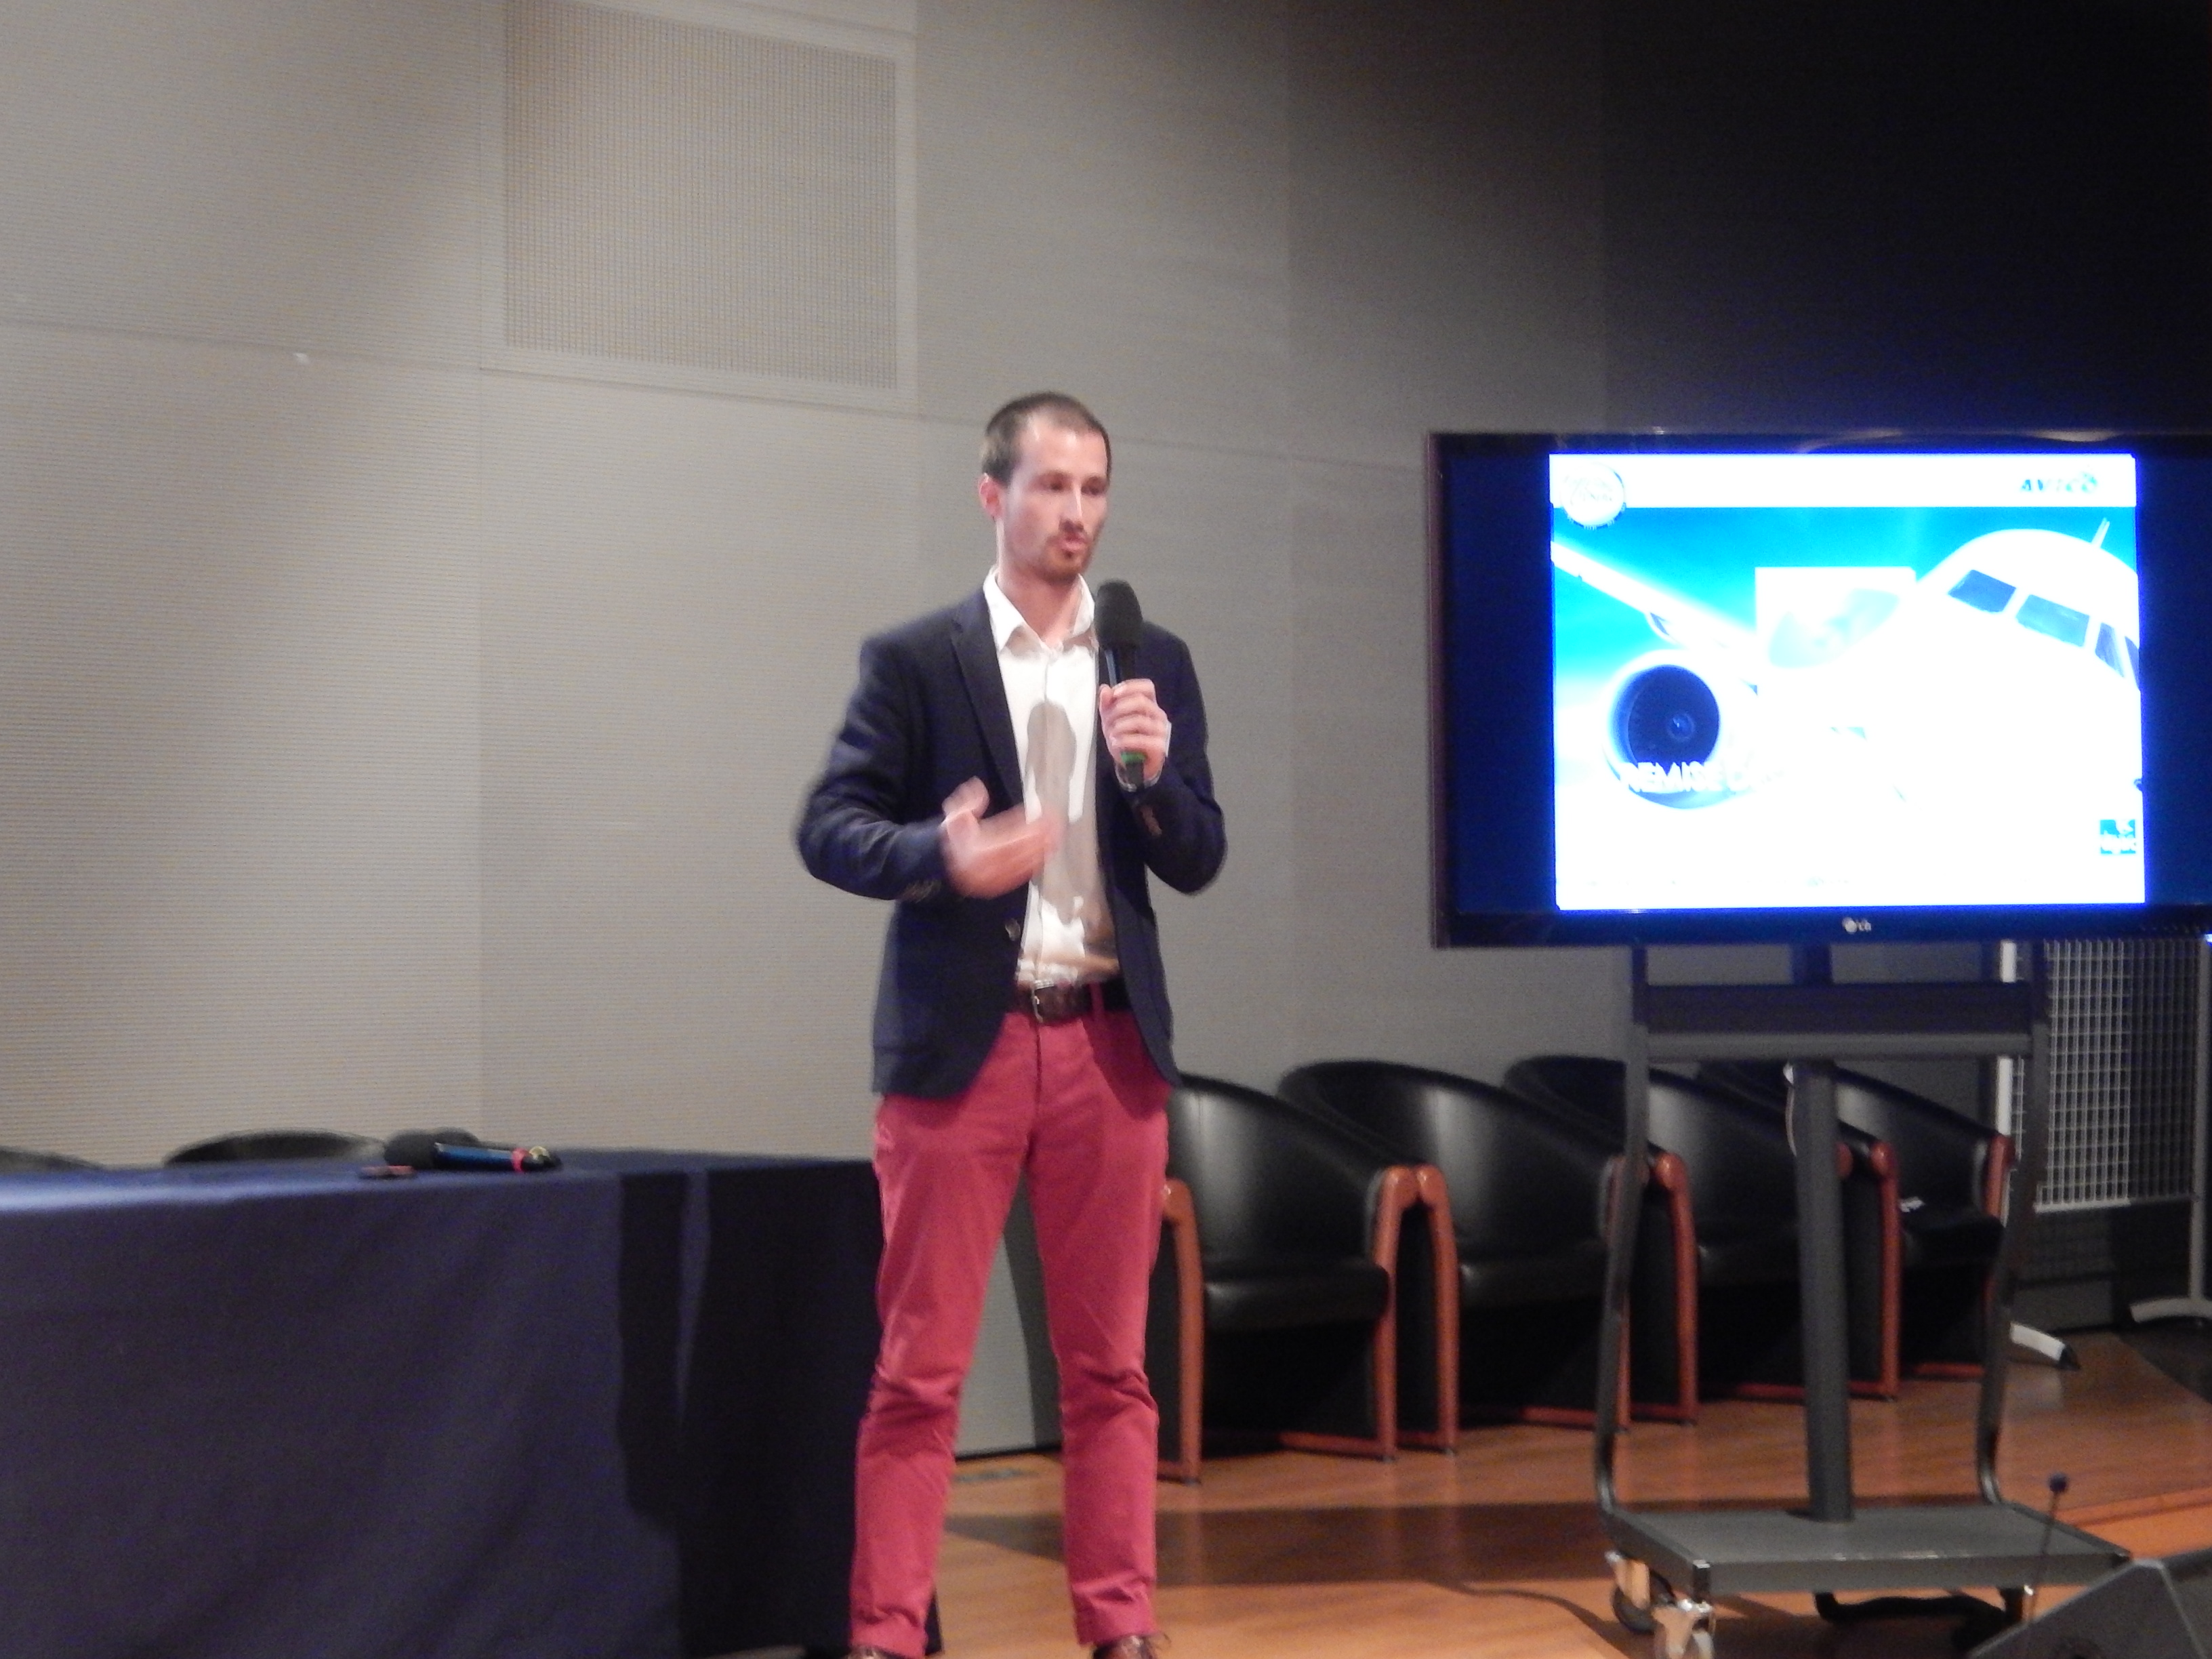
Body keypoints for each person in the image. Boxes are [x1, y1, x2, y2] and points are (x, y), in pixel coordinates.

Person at [798, 392, 1226, 1659]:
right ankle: (885, 1634)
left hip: (1108, 1046)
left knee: (1111, 1371)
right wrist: (941, 853)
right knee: (919, 1372)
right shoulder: (917, 660)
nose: (1076, 513)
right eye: (1051, 486)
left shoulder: (1153, 662)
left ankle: (1121, 1629)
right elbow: (830, 827)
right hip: (963, 1052)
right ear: (994, 495)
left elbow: (1199, 855)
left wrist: (1154, 781)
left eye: (1094, 489)